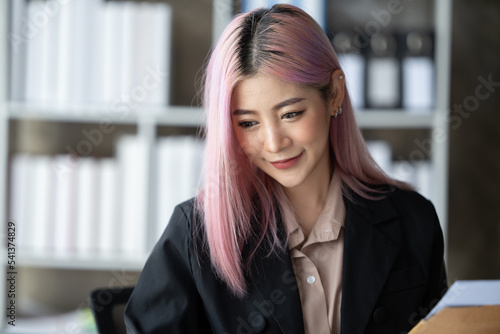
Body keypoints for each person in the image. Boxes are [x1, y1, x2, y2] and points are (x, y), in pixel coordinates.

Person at [124, 4, 447, 334]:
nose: (274, 143)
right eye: (248, 123)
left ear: (334, 94)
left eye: (290, 114)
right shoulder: (194, 235)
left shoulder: (412, 221)